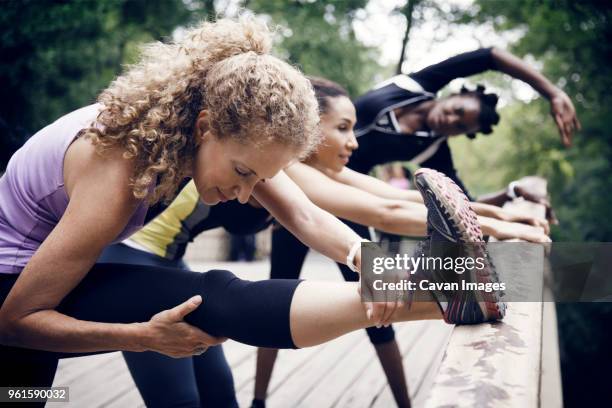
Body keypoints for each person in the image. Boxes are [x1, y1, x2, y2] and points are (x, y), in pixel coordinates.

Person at [0, 18, 502, 407]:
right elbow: (16, 322)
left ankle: (455, 286)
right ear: (205, 127)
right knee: (209, 308)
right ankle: (452, 292)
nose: (246, 194)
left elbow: (304, 218)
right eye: (242, 173)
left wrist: (366, 256)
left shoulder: (218, 138)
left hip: (57, 276)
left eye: (257, 180)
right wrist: (141, 337)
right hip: (14, 292)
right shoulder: (118, 173)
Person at [252, 77, 550, 408]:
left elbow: (400, 198)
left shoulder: (325, 169)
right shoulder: (287, 165)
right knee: (283, 296)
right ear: (310, 123)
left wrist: (504, 217)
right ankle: (258, 399)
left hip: (318, 228)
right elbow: (387, 213)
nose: (354, 142)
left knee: (379, 306)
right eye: (343, 128)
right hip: (188, 244)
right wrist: (505, 228)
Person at [338, 47, 580, 215]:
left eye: (461, 126)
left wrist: (512, 191)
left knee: (364, 274)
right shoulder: (417, 85)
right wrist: (553, 93)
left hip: (338, 186)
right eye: (458, 110)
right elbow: (489, 56)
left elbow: (466, 204)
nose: (451, 120)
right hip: (304, 152)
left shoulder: (433, 152)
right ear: (455, 95)